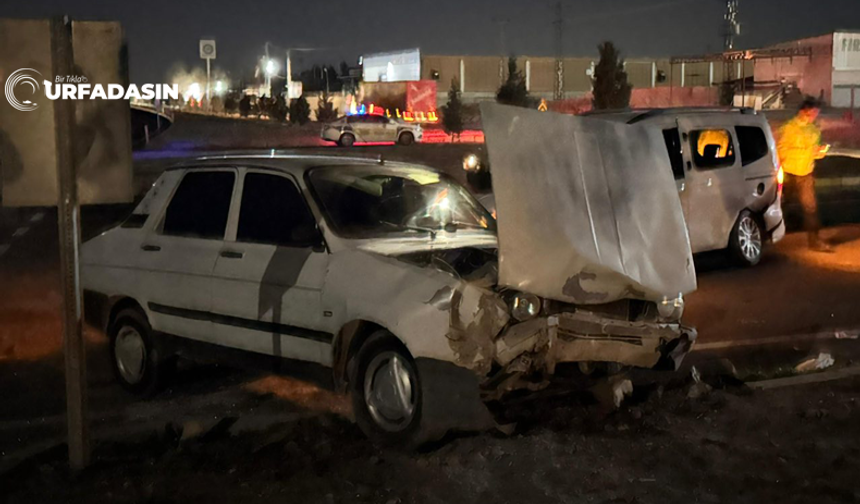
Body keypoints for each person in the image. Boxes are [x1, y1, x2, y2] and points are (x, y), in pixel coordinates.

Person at [778, 98, 832, 252]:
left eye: (817, 113)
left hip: (806, 173)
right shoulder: (789, 128)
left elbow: (814, 152)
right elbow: (781, 150)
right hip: (789, 172)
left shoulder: (814, 129)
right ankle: (769, 236)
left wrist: (819, 152)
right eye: (813, 112)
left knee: (810, 208)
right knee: (780, 205)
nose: (815, 116)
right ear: (803, 111)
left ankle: (814, 241)